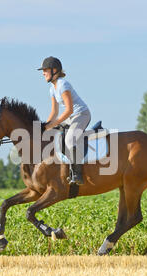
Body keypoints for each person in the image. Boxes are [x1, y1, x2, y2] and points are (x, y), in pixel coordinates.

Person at [38, 56, 91, 185]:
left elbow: (69, 110)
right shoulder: (52, 89)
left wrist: (53, 124)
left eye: (45, 70)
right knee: (53, 135)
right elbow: (54, 112)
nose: (43, 73)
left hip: (81, 114)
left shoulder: (63, 84)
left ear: (54, 70)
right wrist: (45, 126)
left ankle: (77, 174)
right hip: (70, 118)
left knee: (69, 139)